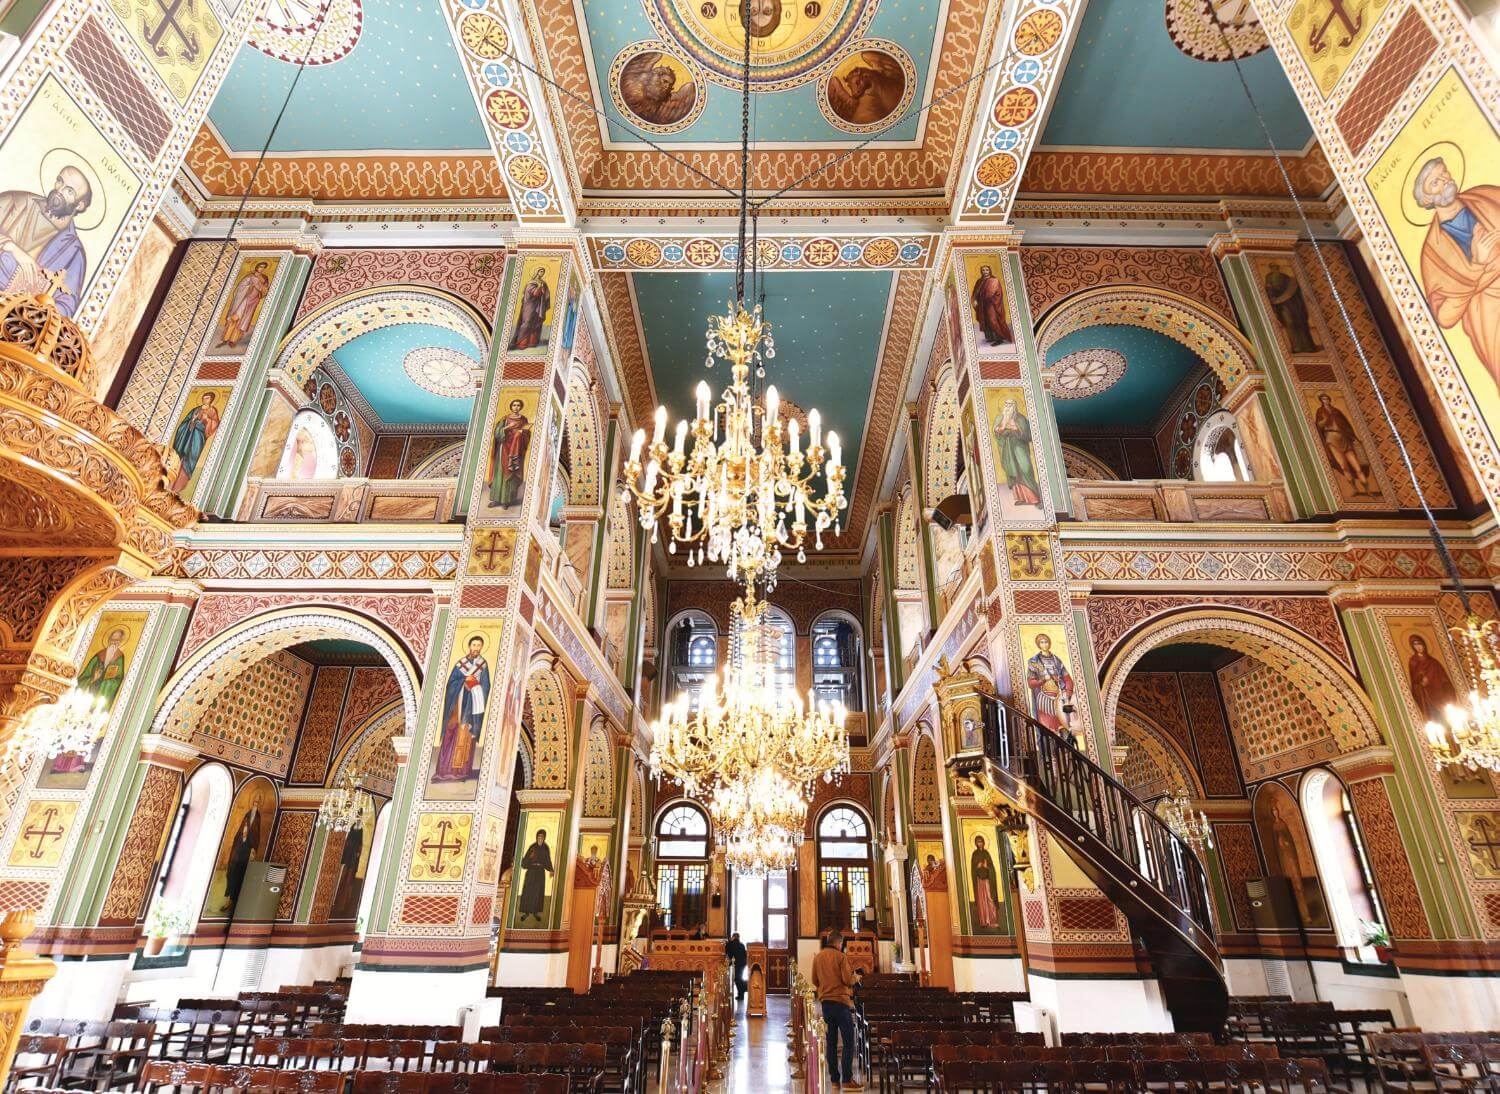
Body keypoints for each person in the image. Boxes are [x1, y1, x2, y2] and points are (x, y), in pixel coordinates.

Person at [1412, 156, 1500, 385]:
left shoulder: (1487, 196)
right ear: (1427, 199)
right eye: (1434, 183)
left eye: (1444, 174)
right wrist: (1477, 265)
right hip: (1491, 317)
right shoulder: (1433, 252)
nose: (1445, 181)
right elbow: (1444, 316)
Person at [0, 164, 93, 317]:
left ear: (80, 205)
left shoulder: (74, 252)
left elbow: (66, 307)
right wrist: (9, 246)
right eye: (59, 181)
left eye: (69, 191)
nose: (59, 191)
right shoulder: (16, 201)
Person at [811, 929, 863, 1090]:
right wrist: (856, 978)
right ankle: (847, 1079)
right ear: (839, 943)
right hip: (841, 1003)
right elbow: (847, 979)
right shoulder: (840, 957)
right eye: (841, 944)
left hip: (826, 1004)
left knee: (831, 1042)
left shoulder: (818, 957)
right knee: (849, 1041)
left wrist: (825, 987)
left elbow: (814, 980)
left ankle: (834, 1079)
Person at [518, 829, 554, 924]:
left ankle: (535, 912)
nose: (540, 839)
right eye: (539, 837)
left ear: (544, 838)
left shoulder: (546, 848)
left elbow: (548, 860)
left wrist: (551, 869)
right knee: (528, 891)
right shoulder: (532, 847)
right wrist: (529, 858)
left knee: (538, 892)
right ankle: (526, 912)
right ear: (536, 837)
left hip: (540, 873)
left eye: (542, 837)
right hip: (531, 871)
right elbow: (525, 861)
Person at [724, 932, 748, 1001]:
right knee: (739, 978)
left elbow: (726, 952)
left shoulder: (730, 944)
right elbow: (745, 955)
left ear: (733, 937)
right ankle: (741, 994)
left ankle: (741, 994)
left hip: (737, 964)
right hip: (743, 964)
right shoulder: (742, 945)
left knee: (737, 979)